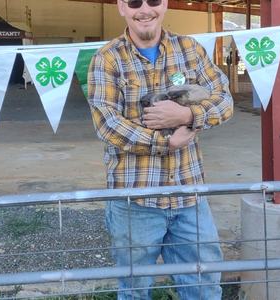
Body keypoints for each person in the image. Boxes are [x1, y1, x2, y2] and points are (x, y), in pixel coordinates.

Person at [87, 0, 233, 298]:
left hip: (188, 194)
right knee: (135, 291)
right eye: (134, 2)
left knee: (203, 287)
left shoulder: (190, 50)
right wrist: (165, 142)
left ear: (164, 4)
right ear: (121, 7)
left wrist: (188, 116)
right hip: (135, 199)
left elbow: (225, 100)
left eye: (153, 0)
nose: (145, 9)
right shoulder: (107, 59)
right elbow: (108, 125)